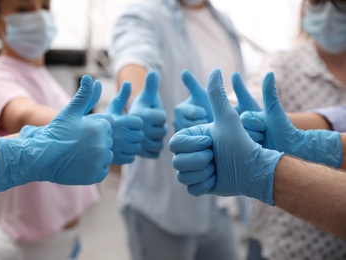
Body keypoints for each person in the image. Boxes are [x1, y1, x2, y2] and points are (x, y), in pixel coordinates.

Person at [0, 0, 142, 259]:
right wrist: (91, 127)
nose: (39, 17)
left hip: (62, 244)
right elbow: (23, 114)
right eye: (24, 10)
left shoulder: (40, 74)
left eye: (45, 7)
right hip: (24, 251)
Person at [110, 0, 244, 259]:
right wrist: (137, 99)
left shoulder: (223, 24)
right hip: (163, 204)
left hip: (219, 199)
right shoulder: (143, 14)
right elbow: (134, 54)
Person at [169, 68, 346, 243]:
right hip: (272, 240)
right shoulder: (287, 61)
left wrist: (264, 170)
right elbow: (341, 115)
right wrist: (309, 145)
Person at [236, 0, 346, 258]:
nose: (329, 13)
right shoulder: (285, 63)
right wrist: (232, 110)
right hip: (282, 244)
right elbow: (252, 96)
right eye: (318, 1)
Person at [0, 79, 113, 191]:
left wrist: (36, 138)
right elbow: (23, 115)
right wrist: (29, 154)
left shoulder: (43, 75)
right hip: (28, 228)